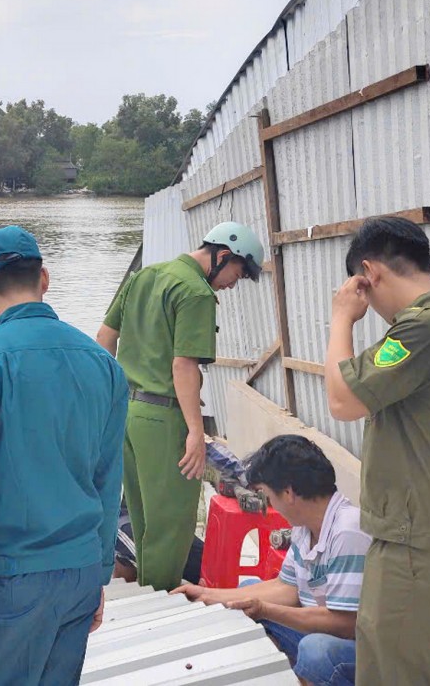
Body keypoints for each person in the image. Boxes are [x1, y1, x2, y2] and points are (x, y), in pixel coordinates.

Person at [0, 225, 127, 685]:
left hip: (5, 578)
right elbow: (108, 477)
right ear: (45, 279)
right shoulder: (103, 364)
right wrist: (98, 574)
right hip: (77, 573)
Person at [324, 216, 430, 685]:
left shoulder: (425, 330)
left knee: (393, 674)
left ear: (370, 273)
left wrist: (342, 316)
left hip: (419, 548)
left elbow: (342, 400)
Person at [96, 221, 263, 592]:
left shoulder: (144, 277)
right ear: (222, 255)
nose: (234, 283)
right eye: (238, 272)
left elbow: (105, 339)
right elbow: (183, 365)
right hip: (163, 421)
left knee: (142, 523)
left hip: (127, 413)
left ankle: (144, 597)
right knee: (170, 528)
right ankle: (161, 607)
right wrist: (196, 433)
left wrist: (114, 398)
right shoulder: (195, 293)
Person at [172, 435, 368, 686]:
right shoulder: (305, 527)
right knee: (244, 593)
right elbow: (286, 588)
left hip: (363, 652)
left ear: (288, 493)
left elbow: (346, 624)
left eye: (267, 495)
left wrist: (266, 610)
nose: (269, 504)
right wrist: (209, 594)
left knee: (315, 650)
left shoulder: (347, 532)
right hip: (324, 631)